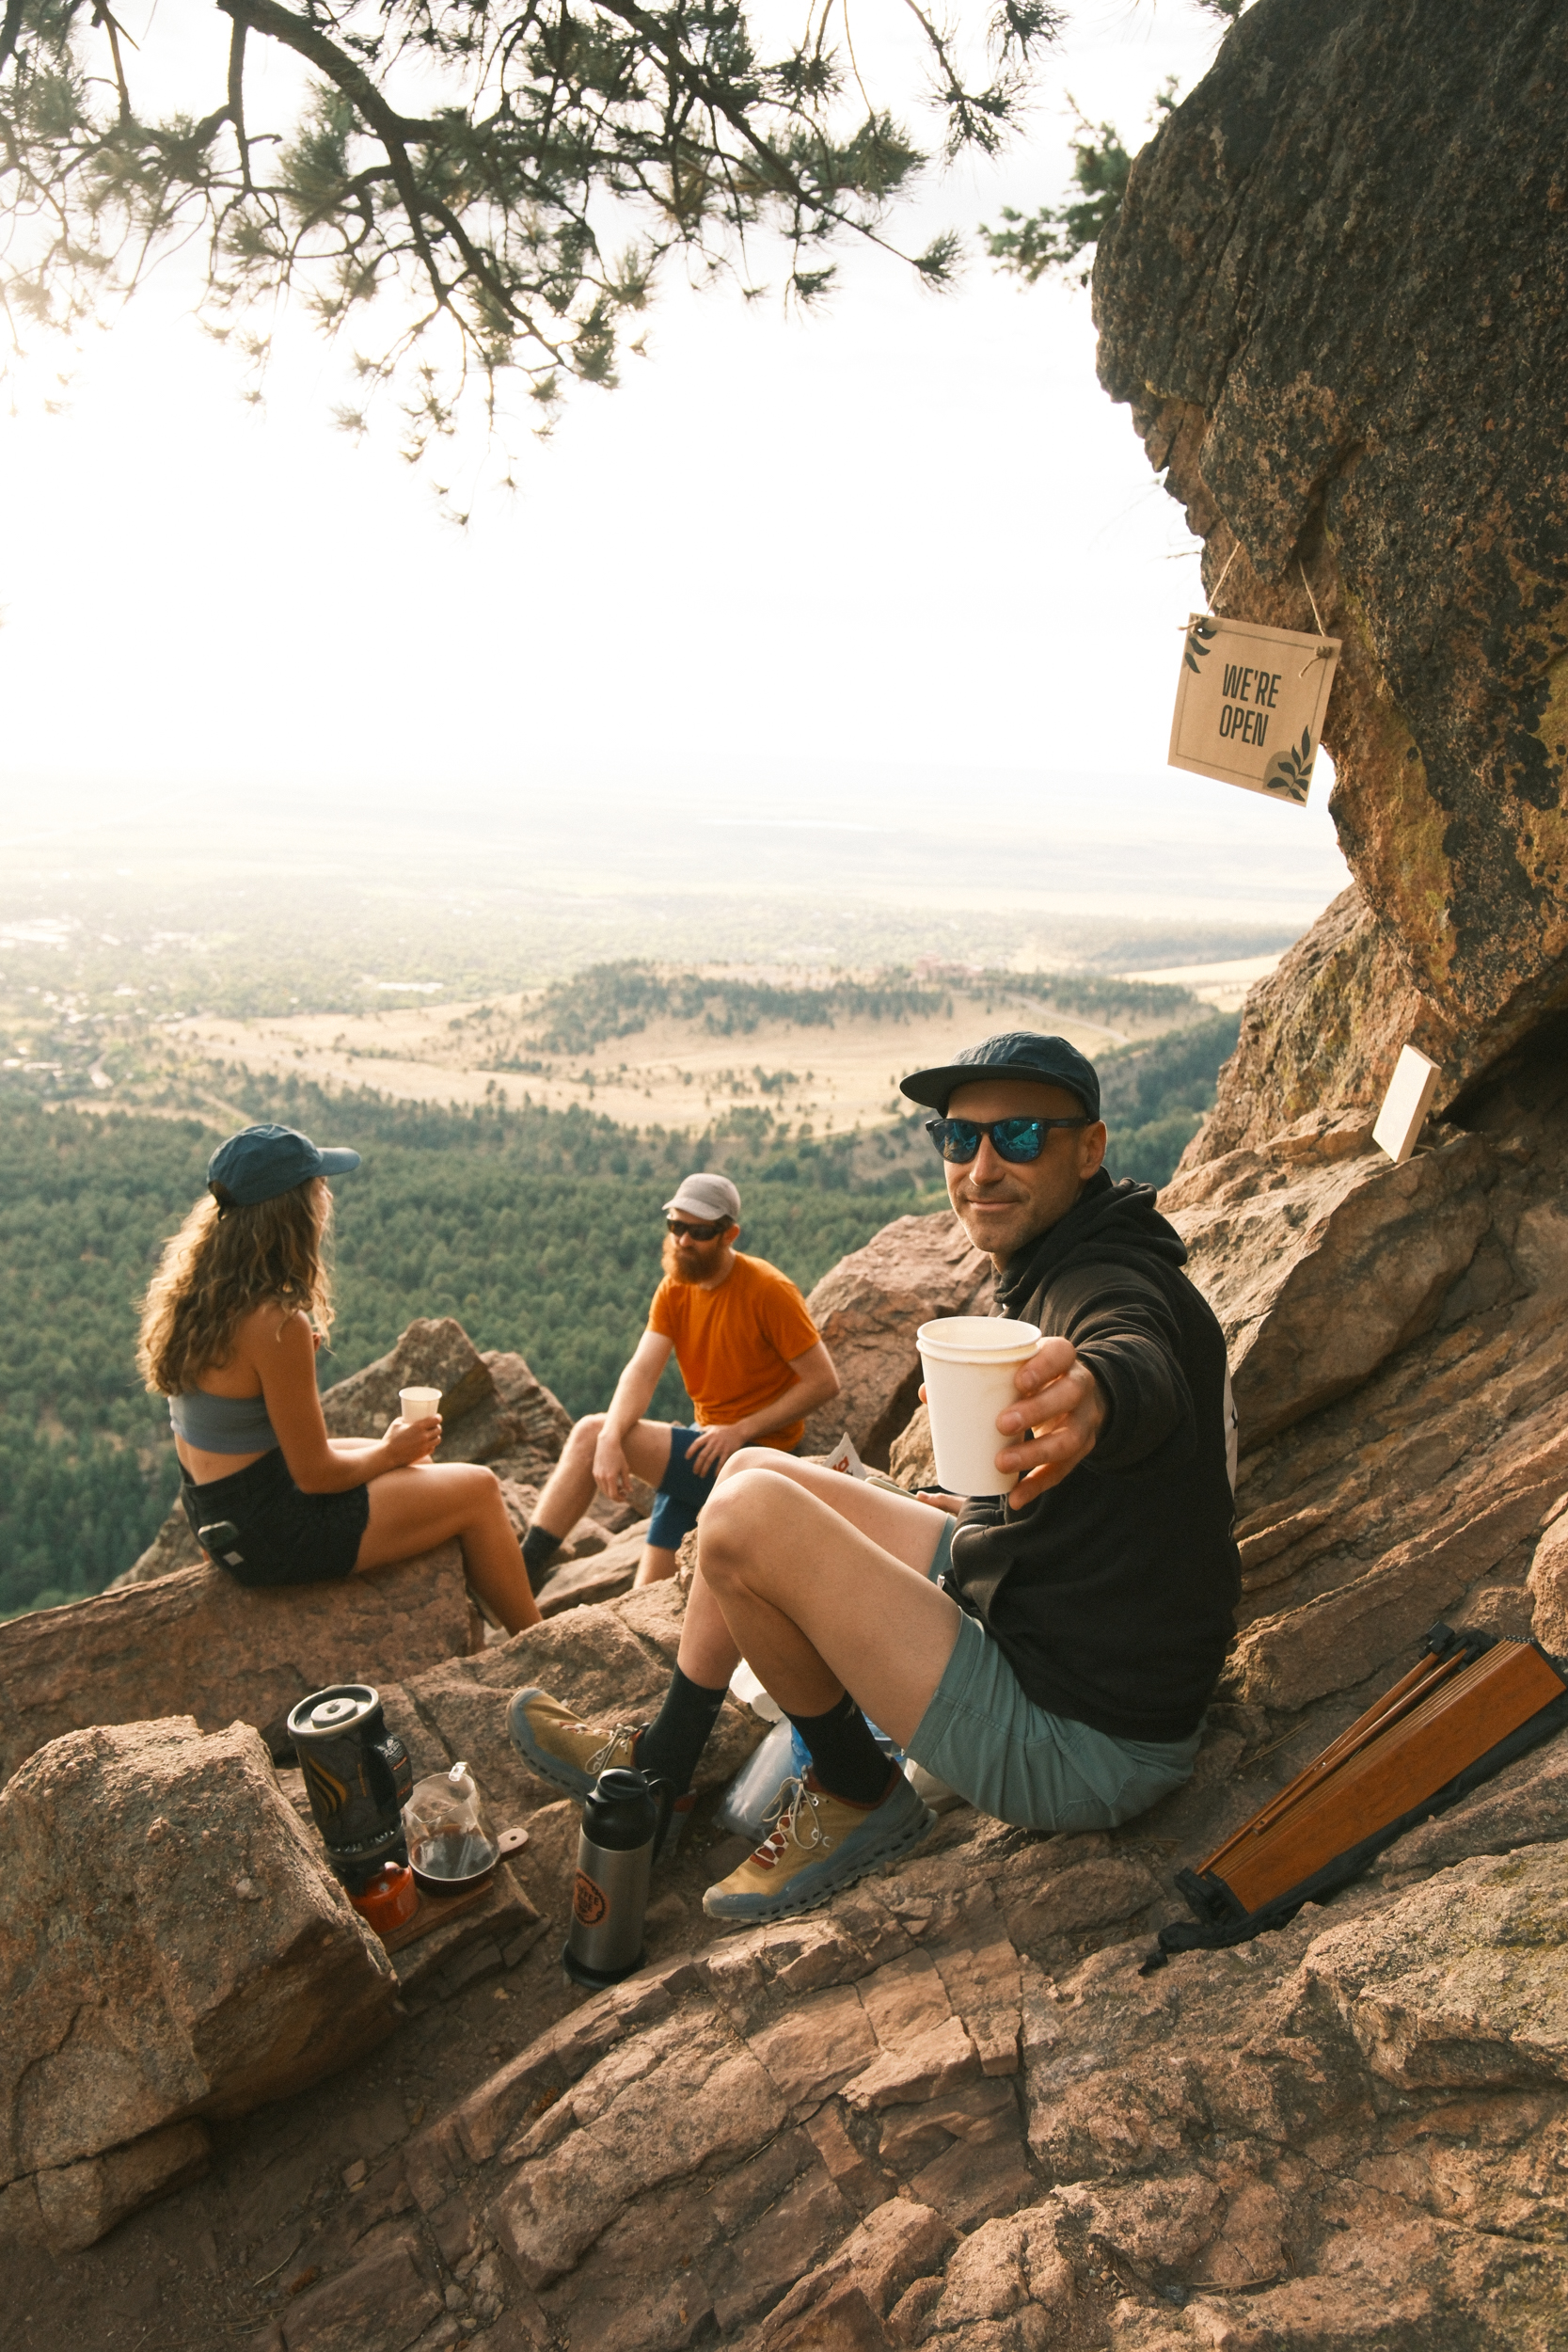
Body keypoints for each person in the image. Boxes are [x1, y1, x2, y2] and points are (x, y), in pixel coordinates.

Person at [508, 1032, 1241, 1919]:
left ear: (1089, 1149)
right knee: (751, 1466)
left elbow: (1134, 1354)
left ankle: (856, 1791)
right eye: (956, 1138)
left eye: (1017, 1138)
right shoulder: (1071, 1256)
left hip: (1083, 1742)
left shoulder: (1105, 1279)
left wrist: (1099, 1395)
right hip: (1048, 1610)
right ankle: (663, 1760)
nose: (979, 1166)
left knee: (743, 1514)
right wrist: (977, 1511)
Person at [138, 1122, 540, 1634]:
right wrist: (390, 1454)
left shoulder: (197, 1295)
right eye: (317, 1185)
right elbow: (315, 1475)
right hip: (271, 1536)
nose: (326, 1193)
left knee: (401, 1458)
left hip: (219, 1520)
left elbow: (249, 1426)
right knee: (478, 1489)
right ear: (292, 1211)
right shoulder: (275, 1322)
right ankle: (540, 1642)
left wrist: (387, 1453)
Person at [520, 1170, 842, 1593]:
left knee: (586, 1434)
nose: (683, 1241)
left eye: (699, 1231)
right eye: (676, 1226)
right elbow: (642, 1370)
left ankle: (520, 1572)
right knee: (647, 1595)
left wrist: (740, 1431)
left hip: (758, 1455)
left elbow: (823, 1382)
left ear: (730, 1234)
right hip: (705, 1447)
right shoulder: (676, 1287)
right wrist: (613, 1436)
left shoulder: (768, 1290)